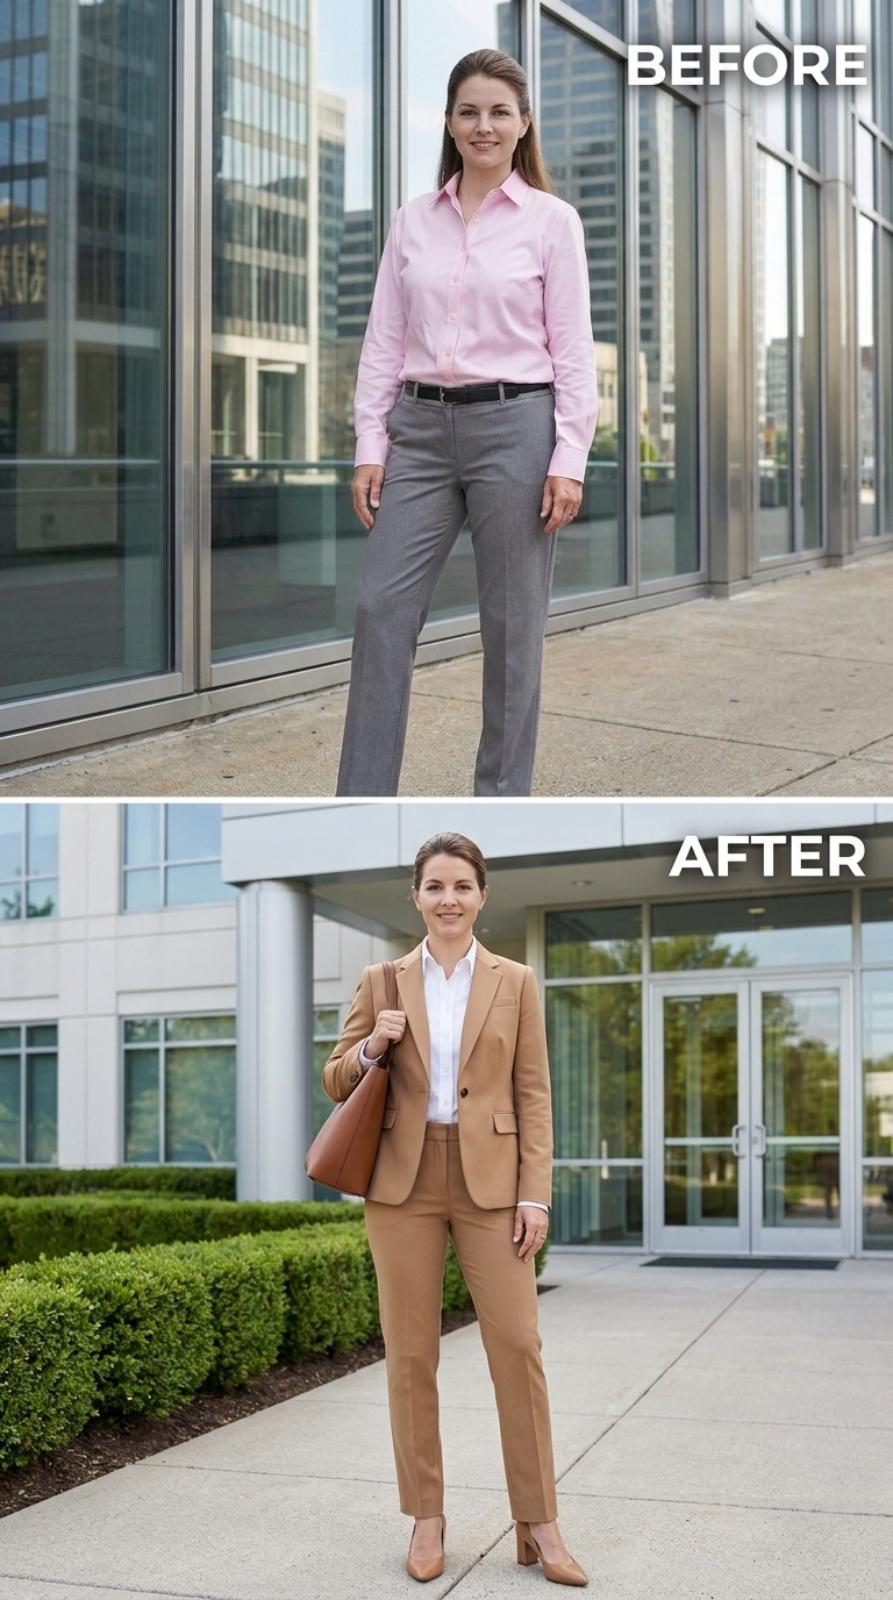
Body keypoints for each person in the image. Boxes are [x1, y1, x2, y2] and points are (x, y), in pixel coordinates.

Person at [322, 831, 588, 1586]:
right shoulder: (383, 979)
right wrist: (374, 1044)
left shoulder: (516, 980)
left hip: (494, 1185)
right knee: (410, 1357)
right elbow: (335, 1078)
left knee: (517, 1350)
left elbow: (532, 1094)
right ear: (416, 896)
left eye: (461, 886)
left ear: (482, 896)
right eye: (434, 886)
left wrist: (535, 1191)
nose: (448, 899)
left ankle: (538, 1523)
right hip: (400, 1186)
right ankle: (426, 1518)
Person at [336, 47, 598, 798]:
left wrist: (568, 457)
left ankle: (500, 801)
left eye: (498, 112)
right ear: (450, 125)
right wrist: (369, 443)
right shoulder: (411, 221)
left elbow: (573, 348)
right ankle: (361, 800)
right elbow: (383, 340)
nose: (483, 125)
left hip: (516, 427)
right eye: (467, 111)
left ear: (522, 126)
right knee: (379, 607)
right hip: (417, 429)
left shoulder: (552, 223)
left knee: (512, 632)